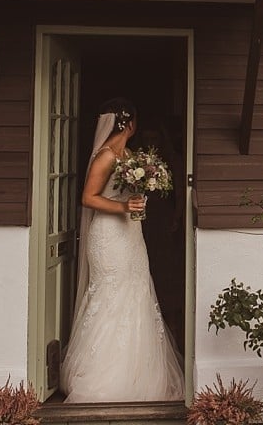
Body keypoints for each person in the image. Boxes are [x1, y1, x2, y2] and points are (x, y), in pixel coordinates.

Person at [60, 98, 185, 403]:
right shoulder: (104, 156)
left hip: (131, 233)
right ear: (130, 124)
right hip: (108, 235)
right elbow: (87, 198)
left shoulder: (129, 156)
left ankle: (138, 373)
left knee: (137, 292)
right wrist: (122, 206)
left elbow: (131, 193)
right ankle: (102, 375)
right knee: (110, 295)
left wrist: (143, 191)